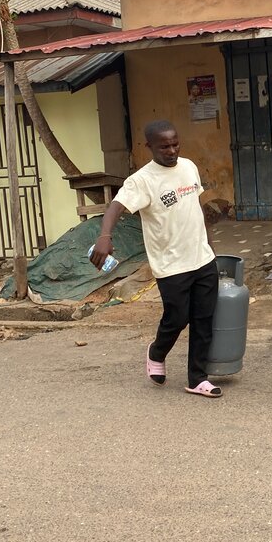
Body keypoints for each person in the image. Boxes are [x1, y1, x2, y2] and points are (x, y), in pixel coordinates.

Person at [90, 120, 222, 398]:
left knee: (204, 319)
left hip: (202, 258)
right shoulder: (142, 180)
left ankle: (198, 379)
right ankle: (157, 351)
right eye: (164, 146)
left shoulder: (188, 167)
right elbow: (117, 205)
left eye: (175, 144)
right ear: (149, 146)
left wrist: (210, 243)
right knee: (177, 318)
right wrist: (105, 236)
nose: (172, 150)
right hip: (171, 264)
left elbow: (196, 205)